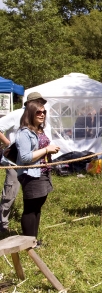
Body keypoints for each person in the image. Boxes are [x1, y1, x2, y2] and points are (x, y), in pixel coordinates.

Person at [0, 92, 48, 233]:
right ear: (29, 104)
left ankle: (31, 234)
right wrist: (10, 145)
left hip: (33, 165)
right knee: (10, 193)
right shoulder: (17, 115)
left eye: (42, 104)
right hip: (16, 163)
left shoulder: (38, 117)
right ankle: (2, 224)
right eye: (38, 102)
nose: (41, 107)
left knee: (33, 200)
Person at [16, 97, 60, 240]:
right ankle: (28, 243)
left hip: (43, 172)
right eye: (38, 112)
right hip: (31, 175)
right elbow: (25, 158)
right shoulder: (24, 133)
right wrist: (47, 150)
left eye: (44, 112)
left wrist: (50, 151)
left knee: (37, 207)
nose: (42, 114)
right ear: (30, 114)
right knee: (30, 209)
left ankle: (33, 240)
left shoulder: (39, 130)